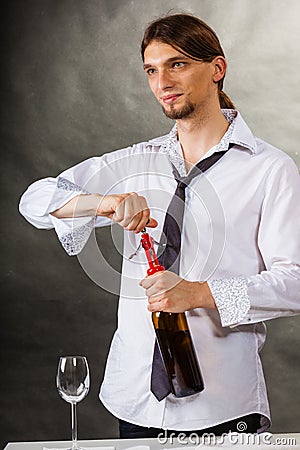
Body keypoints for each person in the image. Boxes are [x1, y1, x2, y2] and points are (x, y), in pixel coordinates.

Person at [19, 13, 300, 439]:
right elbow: (35, 201)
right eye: (151, 70)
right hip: (135, 400)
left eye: (178, 64)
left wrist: (198, 294)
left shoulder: (270, 169)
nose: (162, 83)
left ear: (217, 69)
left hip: (225, 404)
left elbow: (295, 282)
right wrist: (104, 202)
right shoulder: (133, 163)